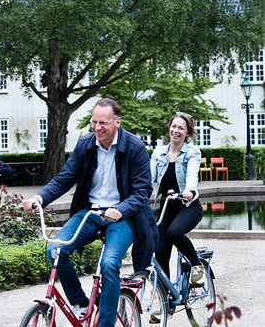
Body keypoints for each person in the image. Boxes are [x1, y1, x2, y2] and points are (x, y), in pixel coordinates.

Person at [22, 98, 157, 327]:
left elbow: (142, 191)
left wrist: (120, 209)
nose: (97, 128)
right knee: (55, 250)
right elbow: (65, 178)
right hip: (90, 213)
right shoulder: (86, 145)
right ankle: (81, 303)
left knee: (109, 264)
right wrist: (39, 198)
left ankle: (106, 324)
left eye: (103, 123)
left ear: (117, 122)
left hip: (121, 218)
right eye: (94, 122)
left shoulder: (134, 147)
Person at [150, 112, 204, 284]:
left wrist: (189, 190)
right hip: (167, 208)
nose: (176, 130)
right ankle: (166, 300)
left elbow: (191, 175)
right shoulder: (158, 153)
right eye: (174, 126)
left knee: (174, 232)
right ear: (169, 128)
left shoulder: (192, 152)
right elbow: (148, 179)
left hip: (188, 206)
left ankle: (196, 265)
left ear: (187, 133)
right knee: (160, 253)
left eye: (181, 128)